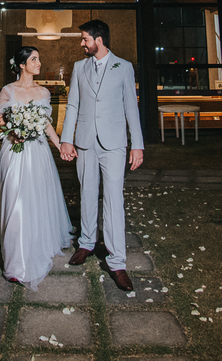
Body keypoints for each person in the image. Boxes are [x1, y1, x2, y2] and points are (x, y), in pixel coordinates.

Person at [59, 19, 145, 291]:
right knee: (86, 193)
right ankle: (86, 243)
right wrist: (66, 140)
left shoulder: (124, 67)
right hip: (85, 141)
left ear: (99, 40)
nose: (81, 43)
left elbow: (131, 107)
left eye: (85, 39)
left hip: (114, 143)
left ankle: (117, 262)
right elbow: (73, 105)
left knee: (113, 200)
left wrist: (137, 144)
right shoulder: (79, 67)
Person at [0, 46, 75, 289]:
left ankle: (37, 242)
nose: (39, 63)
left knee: (36, 198)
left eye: (39, 59)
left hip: (38, 152)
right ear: (22, 64)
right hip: (14, 151)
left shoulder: (44, 92)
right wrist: (12, 132)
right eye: (34, 59)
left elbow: (46, 124)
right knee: (15, 200)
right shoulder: (8, 90)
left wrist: (60, 146)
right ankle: (16, 263)